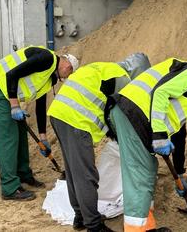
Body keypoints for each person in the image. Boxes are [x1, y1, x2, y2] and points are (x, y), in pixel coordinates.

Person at [108, 57, 187, 232]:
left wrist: (179, 173)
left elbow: (179, 135)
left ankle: (146, 225)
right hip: (135, 116)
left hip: (130, 114)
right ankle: (136, 229)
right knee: (141, 175)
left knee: (146, 169)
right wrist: (159, 135)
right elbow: (161, 92)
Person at [47, 53, 151, 232]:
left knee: (74, 171)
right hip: (75, 120)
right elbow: (119, 111)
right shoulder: (122, 78)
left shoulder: (103, 67)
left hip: (59, 114)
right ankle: (94, 225)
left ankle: (80, 217)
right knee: (86, 175)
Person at [0, 46, 79, 201]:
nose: (66, 77)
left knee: (20, 132)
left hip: (5, 91)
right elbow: (11, 74)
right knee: (8, 137)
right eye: (69, 73)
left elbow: (40, 105)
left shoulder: (49, 76)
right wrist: (14, 106)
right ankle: (10, 188)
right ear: (67, 65)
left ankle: (23, 174)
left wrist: (43, 138)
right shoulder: (46, 59)